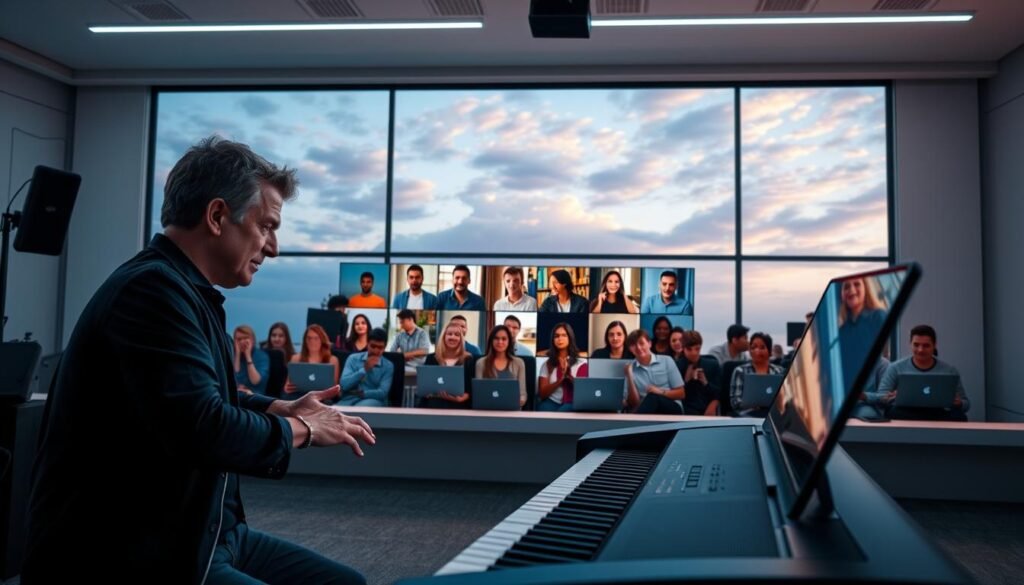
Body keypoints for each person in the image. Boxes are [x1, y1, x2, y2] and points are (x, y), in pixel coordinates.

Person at [24, 136, 373, 584]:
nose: (273, 247)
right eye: (266, 226)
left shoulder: (182, 291)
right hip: (136, 554)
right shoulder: (151, 293)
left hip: (207, 535)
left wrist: (276, 408)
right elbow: (204, 428)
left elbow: (190, 399)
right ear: (216, 216)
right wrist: (303, 429)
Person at [875, 325, 970, 421]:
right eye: (916, 345)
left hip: (938, 412)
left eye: (926, 346)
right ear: (910, 344)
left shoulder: (950, 371)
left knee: (959, 416)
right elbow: (880, 397)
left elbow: (966, 404)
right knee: (893, 412)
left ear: (934, 345)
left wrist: (959, 403)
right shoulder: (895, 368)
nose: (920, 350)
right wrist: (894, 398)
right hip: (906, 411)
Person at [837, 276, 888, 386]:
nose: (852, 290)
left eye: (857, 284)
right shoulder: (841, 330)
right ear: (842, 294)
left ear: (866, 288)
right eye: (846, 286)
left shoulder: (878, 316)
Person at [623, 328, 686, 414]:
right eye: (633, 345)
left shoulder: (666, 361)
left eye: (641, 343)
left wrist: (659, 392)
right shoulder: (630, 368)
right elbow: (634, 403)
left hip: (671, 406)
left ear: (649, 344)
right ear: (630, 349)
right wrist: (629, 375)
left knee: (653, 396)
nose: (638, 347)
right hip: (646, 410)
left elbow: (681, 393)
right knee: (649, 399)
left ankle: (634, 423)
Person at [419, 321, 473, 409]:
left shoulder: (468, 360)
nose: (453, 337)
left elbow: (470, 390)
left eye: (457, 334)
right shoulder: (431, 358)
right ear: (443, 337)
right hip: (433, 405)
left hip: (458, 407)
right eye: (449, 334)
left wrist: (459, 399)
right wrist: (427, 393)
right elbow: (424, 386)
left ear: (461, 339)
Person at [730, 332, 784, 416]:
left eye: (762, 347)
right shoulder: (740, 371)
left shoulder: (779, 371)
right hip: (747, 415)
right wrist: (752, 405)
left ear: (769, 351)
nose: (757, 351)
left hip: (772, 414)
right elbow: (735, 401)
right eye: (753, 347)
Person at [537, 322, 588, 411]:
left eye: (564, 335)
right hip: (552, 401)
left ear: (570, 338)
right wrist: (560, 380)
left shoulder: (581, 363)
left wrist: (568, 376)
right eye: (556, 336)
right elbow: (542, 394)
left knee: (564, 410)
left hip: (573, 402)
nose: (560, 339)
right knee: (542, 407)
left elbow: (584, 391)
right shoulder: (547, 364)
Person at [475, 325, 528, 408]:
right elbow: (478, 393)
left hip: (511, 410)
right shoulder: (481, 363)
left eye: (504, 339)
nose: (500, 342)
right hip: (488, 409)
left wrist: (519, 401)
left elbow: (523, 394)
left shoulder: (519, 363)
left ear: (509, 341)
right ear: (491, 340)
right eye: (496, 338)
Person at [339, 327, 394, 407]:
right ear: (367, 344)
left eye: (380, 348)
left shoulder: (388, 366)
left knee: (360, 409)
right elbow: (344, 385)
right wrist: (364, 370)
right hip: (349, 399)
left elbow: (382, 393)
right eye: (373, 346)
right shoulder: (353, 359)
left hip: (373, 401)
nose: (375, 351)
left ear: (384, 348)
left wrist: (362, 393)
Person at [285, 325, 341, 398]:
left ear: (322, 340)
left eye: (316, 338)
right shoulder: (295, 358)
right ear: (305, 340)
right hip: (299, 396)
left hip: (323, 398)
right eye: (309, 338)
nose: (312, 341)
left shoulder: (333, 360)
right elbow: (287, 386)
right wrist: (288, 388)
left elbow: (335, 388)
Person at [677, 330, 721, 416]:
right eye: (689, 349)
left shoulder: (712, 365)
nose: (694, 353)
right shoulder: (677, 366)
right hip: (684, 411)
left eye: (697, 349)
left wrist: (706, 383)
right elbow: (676, 395)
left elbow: (719, 393)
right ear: (683, 348)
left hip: (706, 408)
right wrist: (686, 381)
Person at [233, 324, 270, 395]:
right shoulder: (232, 354)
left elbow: (256, 381)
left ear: (253, 340)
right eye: (239, 339)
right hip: (237, 396)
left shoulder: (262, 356)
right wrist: (237, 355)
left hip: (256, 396)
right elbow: (235, 378)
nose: (242, 342)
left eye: (245, 338)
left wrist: (248, 356)